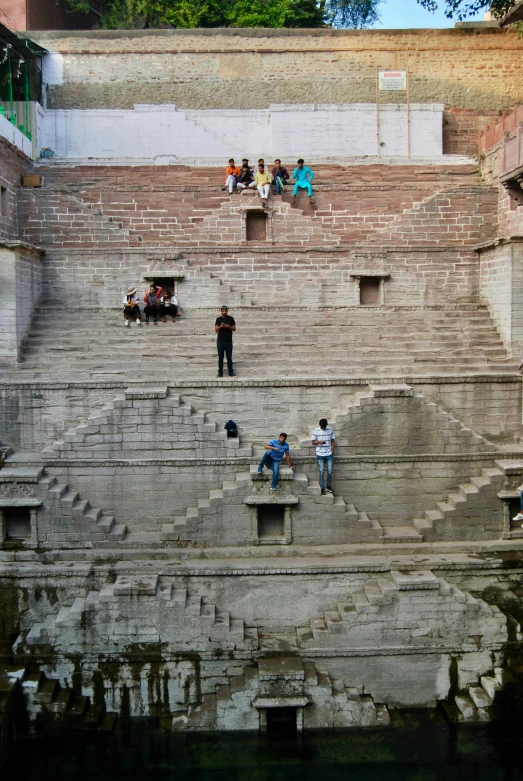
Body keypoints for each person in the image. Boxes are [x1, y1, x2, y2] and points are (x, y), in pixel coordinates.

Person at [311, 418, 335, 495]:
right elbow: (313, 442)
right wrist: (319, 442)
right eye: (322, 427)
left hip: (329, 453)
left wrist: (332, 450)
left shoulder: (330, 430)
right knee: (321, 471)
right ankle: (322, 487)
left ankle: (328, 486)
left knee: (330, 471)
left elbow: (332, 440)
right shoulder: (316, 431)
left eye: (324, 427)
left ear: (326, 425)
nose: (323, 428)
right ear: (320, 425)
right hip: (320, 453)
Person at [215, 305, 236, 378]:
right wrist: (221, 326)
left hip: (228, 341)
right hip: (220, 341)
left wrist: (228, 326)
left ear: (227, 311)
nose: (224, 312)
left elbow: (234, 329)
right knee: (220, 358)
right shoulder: (218, 319)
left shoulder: (231, 318)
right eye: (222, 311)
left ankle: (231, 373)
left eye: (225, 311)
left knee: (229, 357)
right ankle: (220, 373)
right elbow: (216, 329)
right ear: (221, 311)